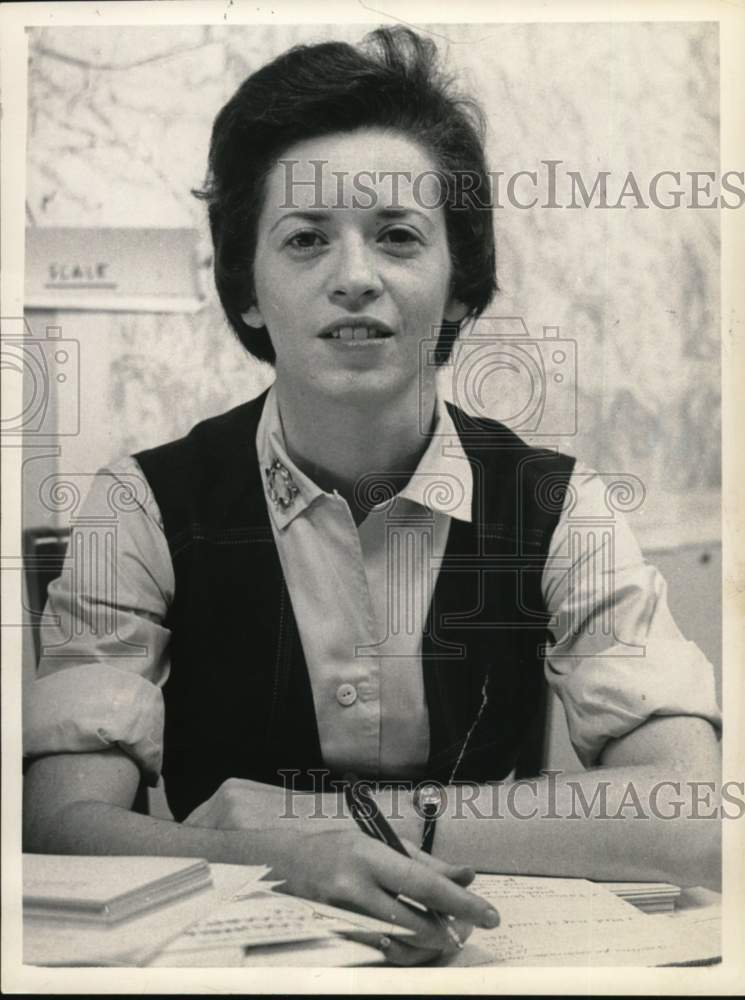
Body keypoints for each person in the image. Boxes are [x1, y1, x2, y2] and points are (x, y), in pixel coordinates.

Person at [23, 27, 721, 966]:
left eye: (397, 235)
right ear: (249, 292)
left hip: (493, 960)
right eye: (305, 240)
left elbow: (685, 815)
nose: (354, 277)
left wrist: (318, 824)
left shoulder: (562, 506)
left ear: (460, 286)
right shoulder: (140, 505)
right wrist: (273, 862)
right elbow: (62, 827)